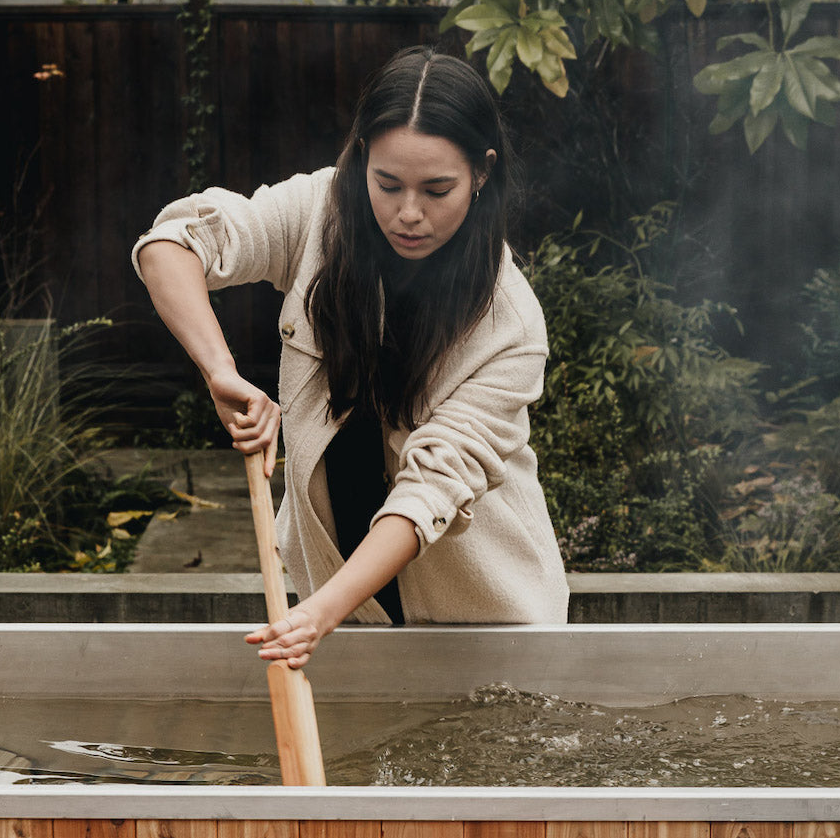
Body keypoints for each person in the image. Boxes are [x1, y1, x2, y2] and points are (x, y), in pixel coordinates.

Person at [133, 46, 568, 667]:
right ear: (362, 157)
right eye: (387, 184)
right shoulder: (319, 214)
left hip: (487, 625)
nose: (408, 213)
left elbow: (429, 493)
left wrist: (318, 612)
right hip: (341, 611)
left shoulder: (510, 323)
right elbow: (173, 243)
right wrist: (220, 372)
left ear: (481, 173)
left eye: (436, 189)